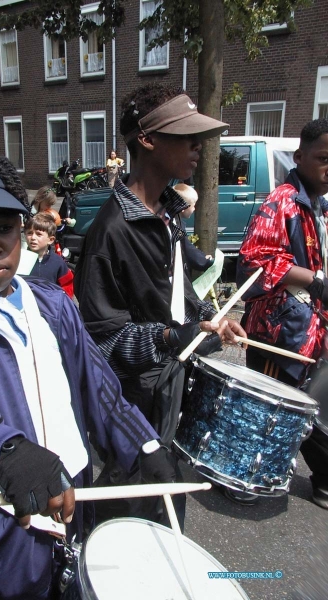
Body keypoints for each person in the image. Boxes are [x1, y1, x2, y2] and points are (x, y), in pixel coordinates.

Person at [0, 149, 177, 600]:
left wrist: (143, 444)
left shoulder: (51, 304)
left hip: (72, 501)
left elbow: (96, 386)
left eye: (4, 227)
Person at [75, 83, 247, 518]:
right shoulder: (110, 232)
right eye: (186, 136)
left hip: (174, 386)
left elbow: (178, 294)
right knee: (129, 514)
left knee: (169, 508)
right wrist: (171, 337)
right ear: (147, 140)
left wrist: (212, 318)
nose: (198, 148)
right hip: (135, 403)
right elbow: (103, 344)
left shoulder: (167, 212)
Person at [236, 117, 328, 510]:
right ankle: (246, 477)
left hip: (312, 329)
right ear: (300, 156)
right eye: (323, 157)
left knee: (308, 406)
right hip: (279, 331)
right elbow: (253, 260)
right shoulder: (282, 201)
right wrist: (314, 280)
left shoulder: (321, 205)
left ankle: (321, 479)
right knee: (269, 409)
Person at [24, 212, 74, 299]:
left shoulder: (57, 262)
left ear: (50, 240)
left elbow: (67, 285)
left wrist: (63, 302)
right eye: (29, 233)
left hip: (50, 307)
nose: (33, 237)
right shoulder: (20, 259)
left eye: (38, 234)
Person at [173, 183, 215, 274]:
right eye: (193, 206)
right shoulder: (176, 226)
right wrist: (203, 260)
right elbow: (187, 248)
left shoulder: (175, 221)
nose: (194, 209)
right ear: (183, 207)